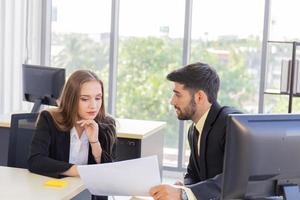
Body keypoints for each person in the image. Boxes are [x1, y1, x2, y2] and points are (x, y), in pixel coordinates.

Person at [150, 62, 241, 200]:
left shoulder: (231, 123)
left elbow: (235, 179)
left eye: (178, 95)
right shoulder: (194, 130)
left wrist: (184, 194)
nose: (172, 101)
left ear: (199, 97)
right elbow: (193, 174)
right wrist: (183, 188)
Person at [28, 70, 117, 200]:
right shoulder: (49, 119)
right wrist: (79, 171)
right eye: (85, 99)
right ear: (71, 99)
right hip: (55, 194)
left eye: (98, 98)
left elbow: (109, 173)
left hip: (89, 196)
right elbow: (35, 160)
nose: (93, 105)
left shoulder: (106, 125)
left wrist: (95, 143)